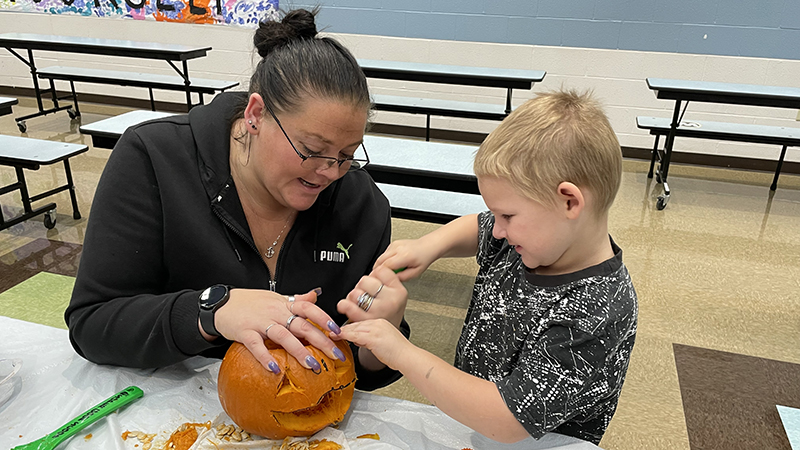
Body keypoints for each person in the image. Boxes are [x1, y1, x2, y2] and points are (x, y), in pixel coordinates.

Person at [65, 8, 409, 391]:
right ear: (256, 114)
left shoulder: (361, 205)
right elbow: (92, 324)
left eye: (347, 155)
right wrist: (209, 312)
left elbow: (363, 375)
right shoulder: (154, 160)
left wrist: (384, 336)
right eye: (312, 149)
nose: (329, 172)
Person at [337, 90, 638, 444]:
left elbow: (508, 419)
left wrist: (402, 354)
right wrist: (429, 246)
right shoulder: (531, 238)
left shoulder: (598, 309)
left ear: (569, 201)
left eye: (507, 215)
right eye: (496, 213)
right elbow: (477, 226)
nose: (497, 229)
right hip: (472, 428)